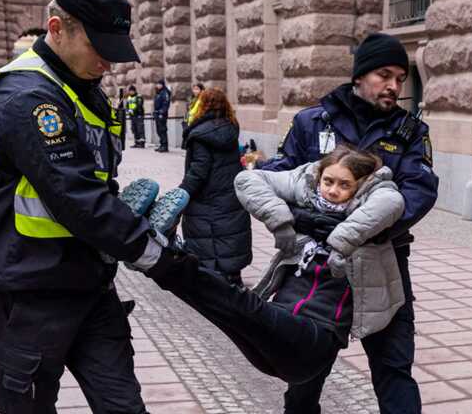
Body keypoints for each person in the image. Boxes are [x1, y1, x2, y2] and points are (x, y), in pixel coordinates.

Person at [0, 0, 194, 412]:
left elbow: (95, 184)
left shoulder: (85, 90)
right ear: (56, 29)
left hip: (89, 283)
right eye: (98, 48)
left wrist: (124, 215)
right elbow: (74, 195)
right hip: (29, 289)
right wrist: (147, 247)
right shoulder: (26, 95)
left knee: (124, 407)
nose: (108, 63)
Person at [125, 144, 405, 396]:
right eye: (327, 181)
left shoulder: (371, 228)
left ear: (361, 186)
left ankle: (156, 251)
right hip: (276, 339)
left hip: (315, 341)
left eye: (344, 185)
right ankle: (158, 250)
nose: (332, 190)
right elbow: (248, 178)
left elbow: (389, 202)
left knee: (238, 301)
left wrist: (339, 240)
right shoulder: (307, 203)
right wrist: (288, 219)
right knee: (215, 307)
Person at [262, 33, 439, 414]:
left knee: (394, 367)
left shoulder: (409, 132)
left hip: (384, 261)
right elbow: (282, 176)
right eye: (384, 75)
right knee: (306, 371)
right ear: (360, 76)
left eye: (399, 78)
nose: (394, 86)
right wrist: (302, 219)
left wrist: (364, 228)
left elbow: (419, 191)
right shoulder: (312, 121)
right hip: (318, 269)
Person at [179, 88, 252, 286]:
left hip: (206, 197)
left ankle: (214, 281)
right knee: (230, 232)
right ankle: (233, 276)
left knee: (209, 235)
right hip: (230, 193)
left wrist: (182, 192)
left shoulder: (200, 134)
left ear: (202, 105)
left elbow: (199, 171)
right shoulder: (230, 128)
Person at [153, 78, 170, 152]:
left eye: (159, 84)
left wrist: (162, 112)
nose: (158, 85)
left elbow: (166, 104)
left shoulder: (165, 92)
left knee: (162, 130)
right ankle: (161, 145)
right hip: (157, 113)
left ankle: (164, 146)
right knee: (159, 130)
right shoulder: (158, 92)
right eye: (157, 84)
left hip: (162, 114)